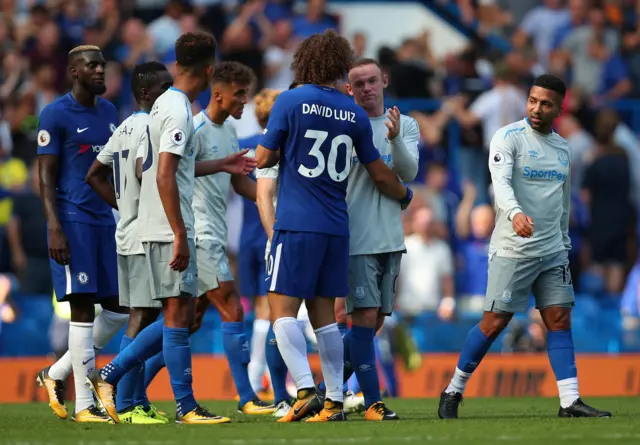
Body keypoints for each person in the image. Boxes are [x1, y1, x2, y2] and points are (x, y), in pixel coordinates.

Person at [87, 32, 256, 425]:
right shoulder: (178, 109)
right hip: (168, 229)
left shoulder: (162, 105)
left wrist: (221, 164)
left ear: (178, 63)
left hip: (154, 226)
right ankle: (168, 400)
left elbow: (170, 166)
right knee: (177, 317)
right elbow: (164, 175)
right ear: (210, 69)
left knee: (175, 315)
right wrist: (180, 233)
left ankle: (125, 384)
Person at [255, 30, 413, 423]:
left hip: (296, 221)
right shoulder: (354, 112)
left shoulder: (290, 100)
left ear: (304, 63)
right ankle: (335, 401)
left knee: (282, 311)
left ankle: (306, 389)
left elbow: (261, 159)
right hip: (337, 227)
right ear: (340, 65)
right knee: (325, 317)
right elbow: (378, 171)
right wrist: (405, 195)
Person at [437, 74, 611, 419]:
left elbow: (562, 202)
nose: (536, 108)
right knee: (494, 322)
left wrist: (563, 242)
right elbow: (499, 184)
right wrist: (515, 213)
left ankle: (569, 401)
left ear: (559, 108)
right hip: (513, 248)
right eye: (532, 100)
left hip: (553, 250)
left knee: (558, 319)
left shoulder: (563, 148)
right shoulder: (508, 137)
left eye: (545, 103)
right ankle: (453, 390)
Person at [36, 45, 130, 423]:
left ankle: (55, 373)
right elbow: (44, 176)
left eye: (102, 65)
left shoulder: (109, 112)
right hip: (72, 221)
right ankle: (84, 405)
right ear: (74, 71)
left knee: (119, 309)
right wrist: (54, 226)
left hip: (103, 220)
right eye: (92, 66)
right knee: (82, 308)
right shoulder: (55, 114)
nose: (100, 71)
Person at [85, 61, 174, 424]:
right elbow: (143, 169)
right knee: (145, 315)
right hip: (144, 234)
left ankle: (134, 399)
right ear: (147, 93)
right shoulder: (151, 126)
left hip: (130, 231)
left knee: (150, 313)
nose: (171, 93)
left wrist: (124, 205)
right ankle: (124, 402)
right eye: (165, 87)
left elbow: (95, 173)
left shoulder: (123, 125)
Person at [189, 61, 274, 414]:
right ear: (218, 93)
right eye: (239, 95)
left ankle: (119, 379)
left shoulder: (229, 132)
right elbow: (169, 170)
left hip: (215, 233)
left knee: (188, 320)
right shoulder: (194, 128)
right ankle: (247, 396)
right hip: (196, 232)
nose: (244, 102)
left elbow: (239, 182)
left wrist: (271, 200)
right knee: (233, 307)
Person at [343, 57, 420, 420]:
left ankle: (323, 390)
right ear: (349, 90)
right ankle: (371, 401)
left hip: (391, 236)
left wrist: (394, 139)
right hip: (356, 237)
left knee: (373, 323)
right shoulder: (343, 127)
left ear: (384, 80)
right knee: (364, 317)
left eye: (372, 81)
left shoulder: (406, 125)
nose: (367, 88)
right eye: (359, 84)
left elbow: (409, 171)